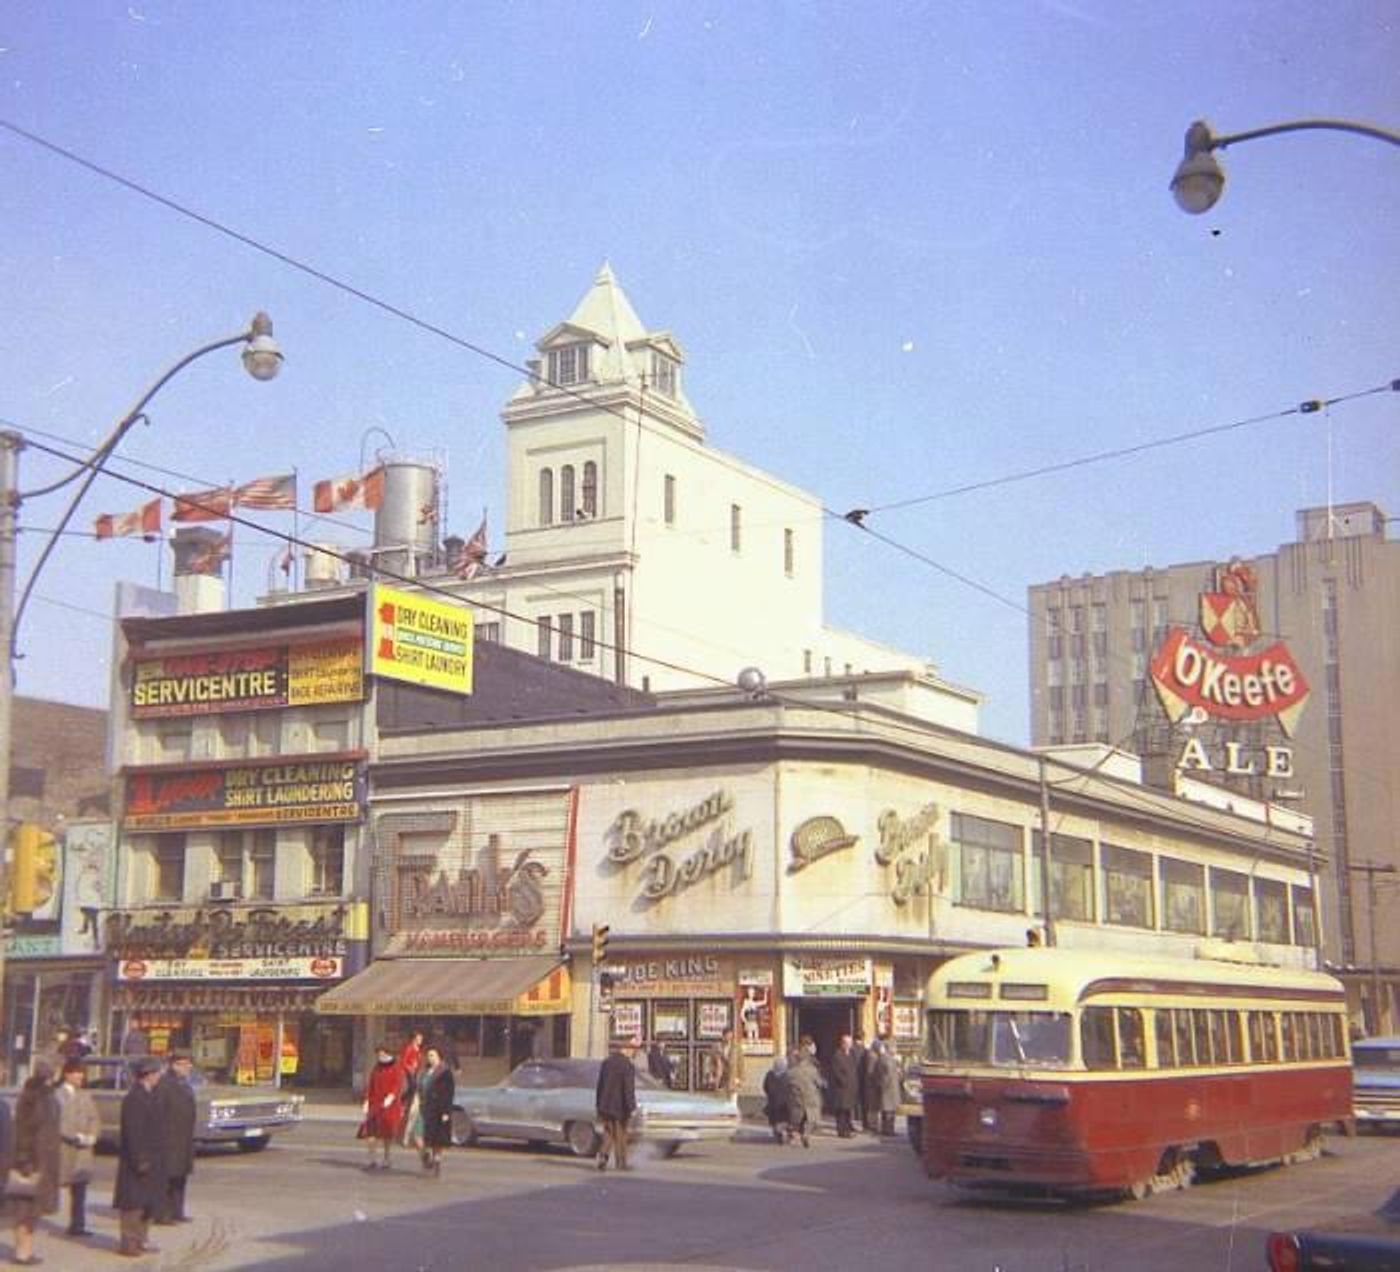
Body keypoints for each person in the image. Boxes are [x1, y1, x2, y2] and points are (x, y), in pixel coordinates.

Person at [8, 1060, 61, 1266]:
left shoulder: (48, 1096)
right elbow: (24, 1131)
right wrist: (24, 1160)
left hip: (44, 1161)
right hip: (32, 1161)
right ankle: (22, 1252)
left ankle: (26, 1250)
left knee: (33, 1209)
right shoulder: (32, 1097)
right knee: (24, 1208)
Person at [114, 1057, 166, 1258]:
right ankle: (129, 1242)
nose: (159, 1077)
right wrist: (140, 1160)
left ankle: (142, 1240)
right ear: (147, 1075)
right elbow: (133, 1132)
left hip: (154, 1158)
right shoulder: (134, 1099)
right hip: (137, 1160)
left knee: (147, 1203)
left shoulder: (151, 1095)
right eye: (156, 1073)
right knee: (133, 1204)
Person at [56, 1057, 100, 1238]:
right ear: (67, 1074)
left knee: (80, 1189)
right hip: (65, 1148)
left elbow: (95, 1118)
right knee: (59, 1184)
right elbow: (58, 1122)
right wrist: (74, 1136)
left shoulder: (85, 1095)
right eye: (76, 1072)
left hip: (83, 1150)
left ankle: (78, 1224)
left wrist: (92, 1135)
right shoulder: (57, 1095)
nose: (80, 1076)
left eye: (82, 1073)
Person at [155, 1052, 197, 1224]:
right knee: (167, 1178)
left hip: (184, 1138)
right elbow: (159, 1113)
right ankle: (163, 1213)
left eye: (189, 1064)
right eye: (184, 1064)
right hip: (169, 1139)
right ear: (174, 1065)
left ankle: (177, 1211)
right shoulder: (165, 1084)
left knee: (180, 1176)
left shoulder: (185, 1084)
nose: (188, 1067)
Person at [360, 1045, 405, 1171]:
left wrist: (392, 1096)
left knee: (387, 1134)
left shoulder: (396, 1067)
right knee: (370, 1132)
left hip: (389, 1105)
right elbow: (371, 1085)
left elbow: (398, 1084)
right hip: (375, 1103)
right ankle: (372, 1158)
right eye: (378, 1054)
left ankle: (387, 1157)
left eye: (382, 1054)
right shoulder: (376, 1068)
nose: (380, 1056)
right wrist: (367, 1100)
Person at [594, 1040, 636, 1173]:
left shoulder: (606, 1063)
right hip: (620, 1107)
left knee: (608, 1133)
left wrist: (598, 1105)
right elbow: (628, 1088)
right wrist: (631, 1106)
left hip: (605, 1105)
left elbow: (600, 1085)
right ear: (625, 1049)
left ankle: (603, 1156)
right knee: (621, 1136)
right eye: (632, 1049)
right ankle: (621, 1163)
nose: (633, 1052)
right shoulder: (627, 1065)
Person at [418, 1046, 455, 1177]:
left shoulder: (445, 1072)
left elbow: (448, 1093)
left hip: (439, 1109)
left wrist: (446, 1111)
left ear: (439, 1057)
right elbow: (420, 1087)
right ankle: (428, 1157)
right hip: (426, 1108)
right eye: (429, 1056)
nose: (430, 1058)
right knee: (425, 1136)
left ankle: (437, 1161)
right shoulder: (425, 1072)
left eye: (433, 1055)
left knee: (438, 1138)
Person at [784, 1046, 823, 1148]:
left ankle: (792, 1130)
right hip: (811, 1098)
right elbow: (819, 1082)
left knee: (797, 1117)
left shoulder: (791, 1072)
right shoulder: (812, 1070)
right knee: (811, 1118)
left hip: (797, 1099)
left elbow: (786, 1085)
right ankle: (806, 1134)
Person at [397, 1029, 424, 1149]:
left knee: (414, 1112)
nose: (421, 1040)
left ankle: (407, 1138)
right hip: (410, 1078)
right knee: (412, 1110)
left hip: (415, 1078)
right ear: (414, 1039)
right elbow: (403, 1062)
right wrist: (410, 1069)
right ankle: (405, 1138)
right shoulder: (409, 1048)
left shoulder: (418, 1050)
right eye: (419, 1038)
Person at [829, 1033, 859, 1138]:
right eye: (847, 1043)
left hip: (851, 1089)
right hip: (841, 1089)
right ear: (843, 1044)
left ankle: (848, 1128)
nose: (849, 1045)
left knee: (848, 1110)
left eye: (850, 1043)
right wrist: (844, 1082)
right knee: (841, 1111)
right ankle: (842, 1131)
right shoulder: (837, 1055)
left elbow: (855, 1069)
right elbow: (836, 1072)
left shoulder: (852, 1054)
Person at [874, 1040, 903, 1137]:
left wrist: (899, 1073)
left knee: (891, 1111)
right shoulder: (883, 1059)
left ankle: (890, 1129)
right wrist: (883, 1084)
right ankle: (886, 1130)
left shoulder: (893, 1059)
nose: (896, 1049)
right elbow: (879, 1073)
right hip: (887, 1089)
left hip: (893, 1089)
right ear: (889, 1048)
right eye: (894, 1047)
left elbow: (897, 1073)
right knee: (887, 1111)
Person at [762, 1055, 790, 1144]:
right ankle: (784, 1132)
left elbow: (765, 1087)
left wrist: (770, 1094)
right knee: (785, 1119)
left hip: (773, 1102)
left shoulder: (769, 1074)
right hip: (785, 1103)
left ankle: (778, 1132)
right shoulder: (788, 1075)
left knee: (774, 1119)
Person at [715, 1026, 744, 1097]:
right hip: (721, 1077)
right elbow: (713, 1062)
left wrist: (740, 1078)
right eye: (727, 1037)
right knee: (720, 1098)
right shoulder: (718, 1047)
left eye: (731, 1037)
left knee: (732, 1098)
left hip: (732, 1076)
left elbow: (741, 1063)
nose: (729, 1039)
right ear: (723, 1036)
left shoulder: (737, 1047)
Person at [850, 1031, 869, 1132]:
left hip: (853, 1079)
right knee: (864, 1103)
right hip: (864, 1080)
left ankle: (852, 1122)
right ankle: (865, 1124)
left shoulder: (851, 1050)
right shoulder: (865, 1050)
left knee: (853, 1103)